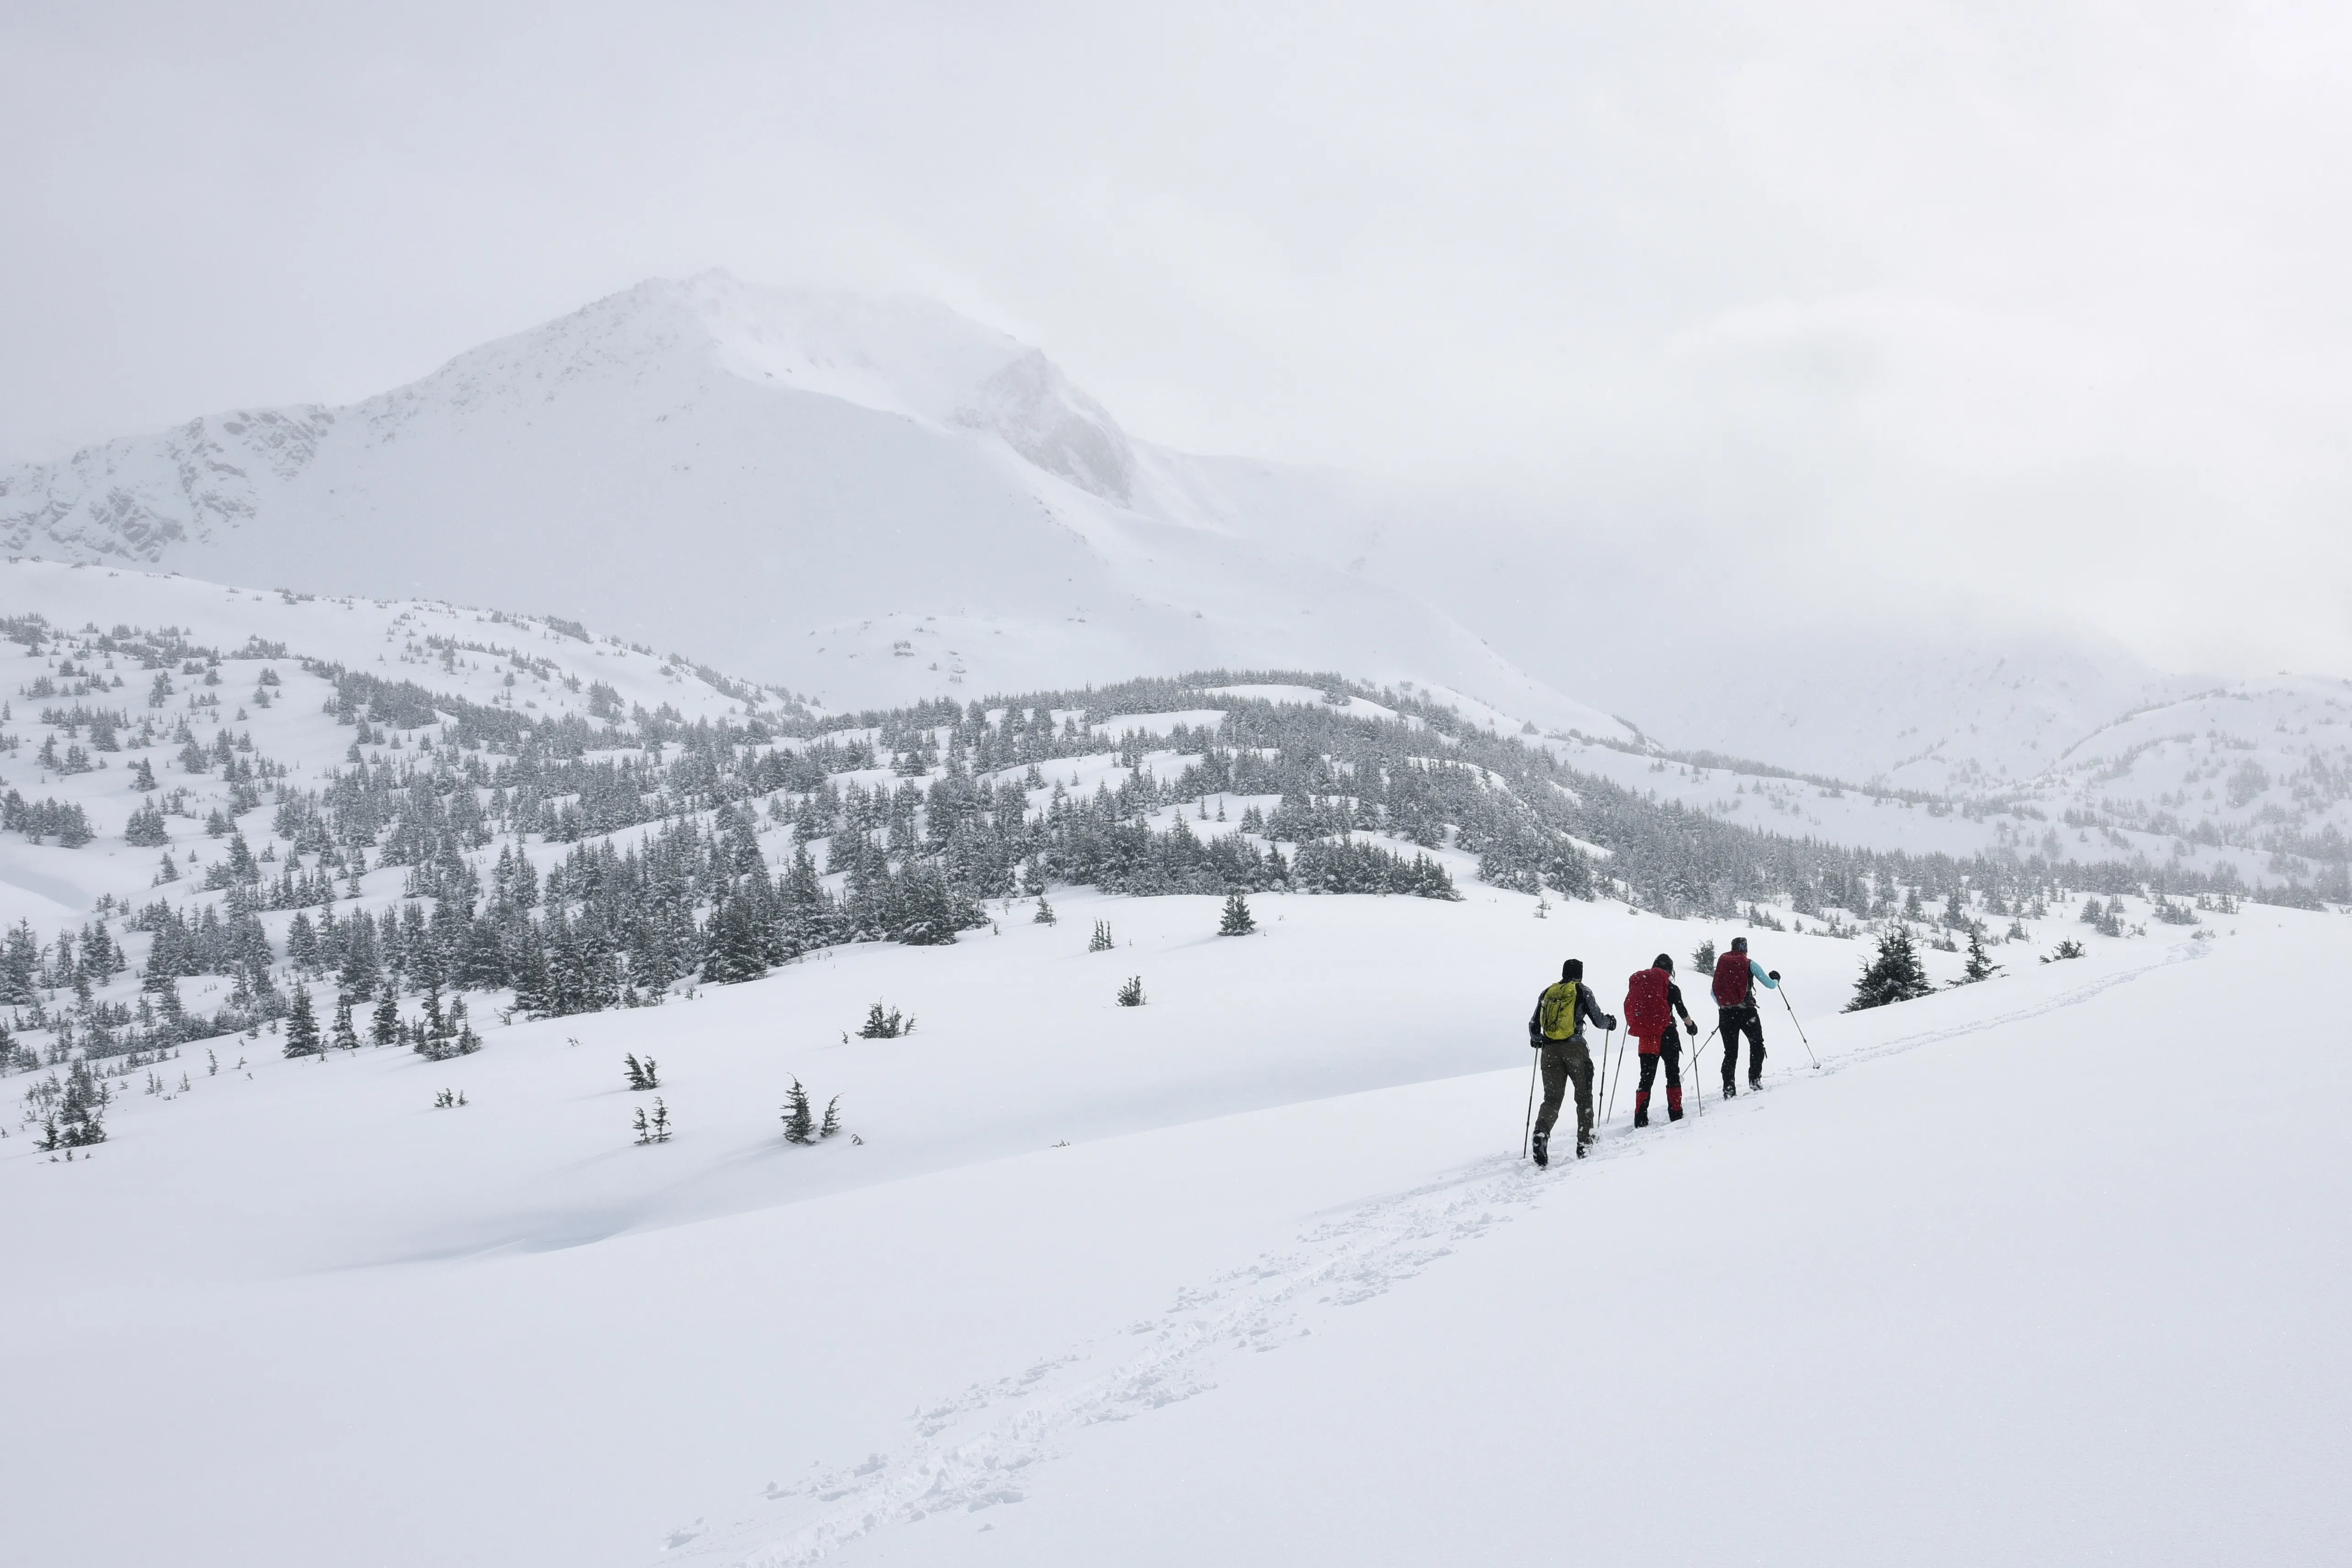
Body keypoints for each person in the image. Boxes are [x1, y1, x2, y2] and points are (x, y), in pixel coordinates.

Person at [1527, 958, 1616, 1166]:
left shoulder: (1548, 993)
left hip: (1550, 1051)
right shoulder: (1582, 991)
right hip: (1575, 1049)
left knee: (1552, 1099)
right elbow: (1598, 1020)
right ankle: (1584, 1144)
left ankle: (1541, 1133)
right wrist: (1610, 1023)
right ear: (1580, 974)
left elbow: (1533, 1025)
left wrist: (1538, 1040)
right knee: (1584, 1097)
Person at [1624, 953, 1699, 1127]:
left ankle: (1640, 1117)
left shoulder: (1643, 987)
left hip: (1648, 1036)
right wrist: (1691, 1026)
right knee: (1672, 1074)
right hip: (1668, 1034)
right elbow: (1682, 1011)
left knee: (1646, 1077)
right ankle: (1676, 1112)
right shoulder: (1672, 989)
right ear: (1669, 971)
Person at [1709, 936, 1780, 1094]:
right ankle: (1754, 1080)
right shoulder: (1750, 964)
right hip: (1747, 1013)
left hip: (1726, 1015)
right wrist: (1776, 979)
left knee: (1730, 1052)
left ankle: (1729, 1088)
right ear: (1746, 949)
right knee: (1756, 1044)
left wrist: (1726, 1005)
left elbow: (1713, 992)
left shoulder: (1723, 963)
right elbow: (1770, 985)